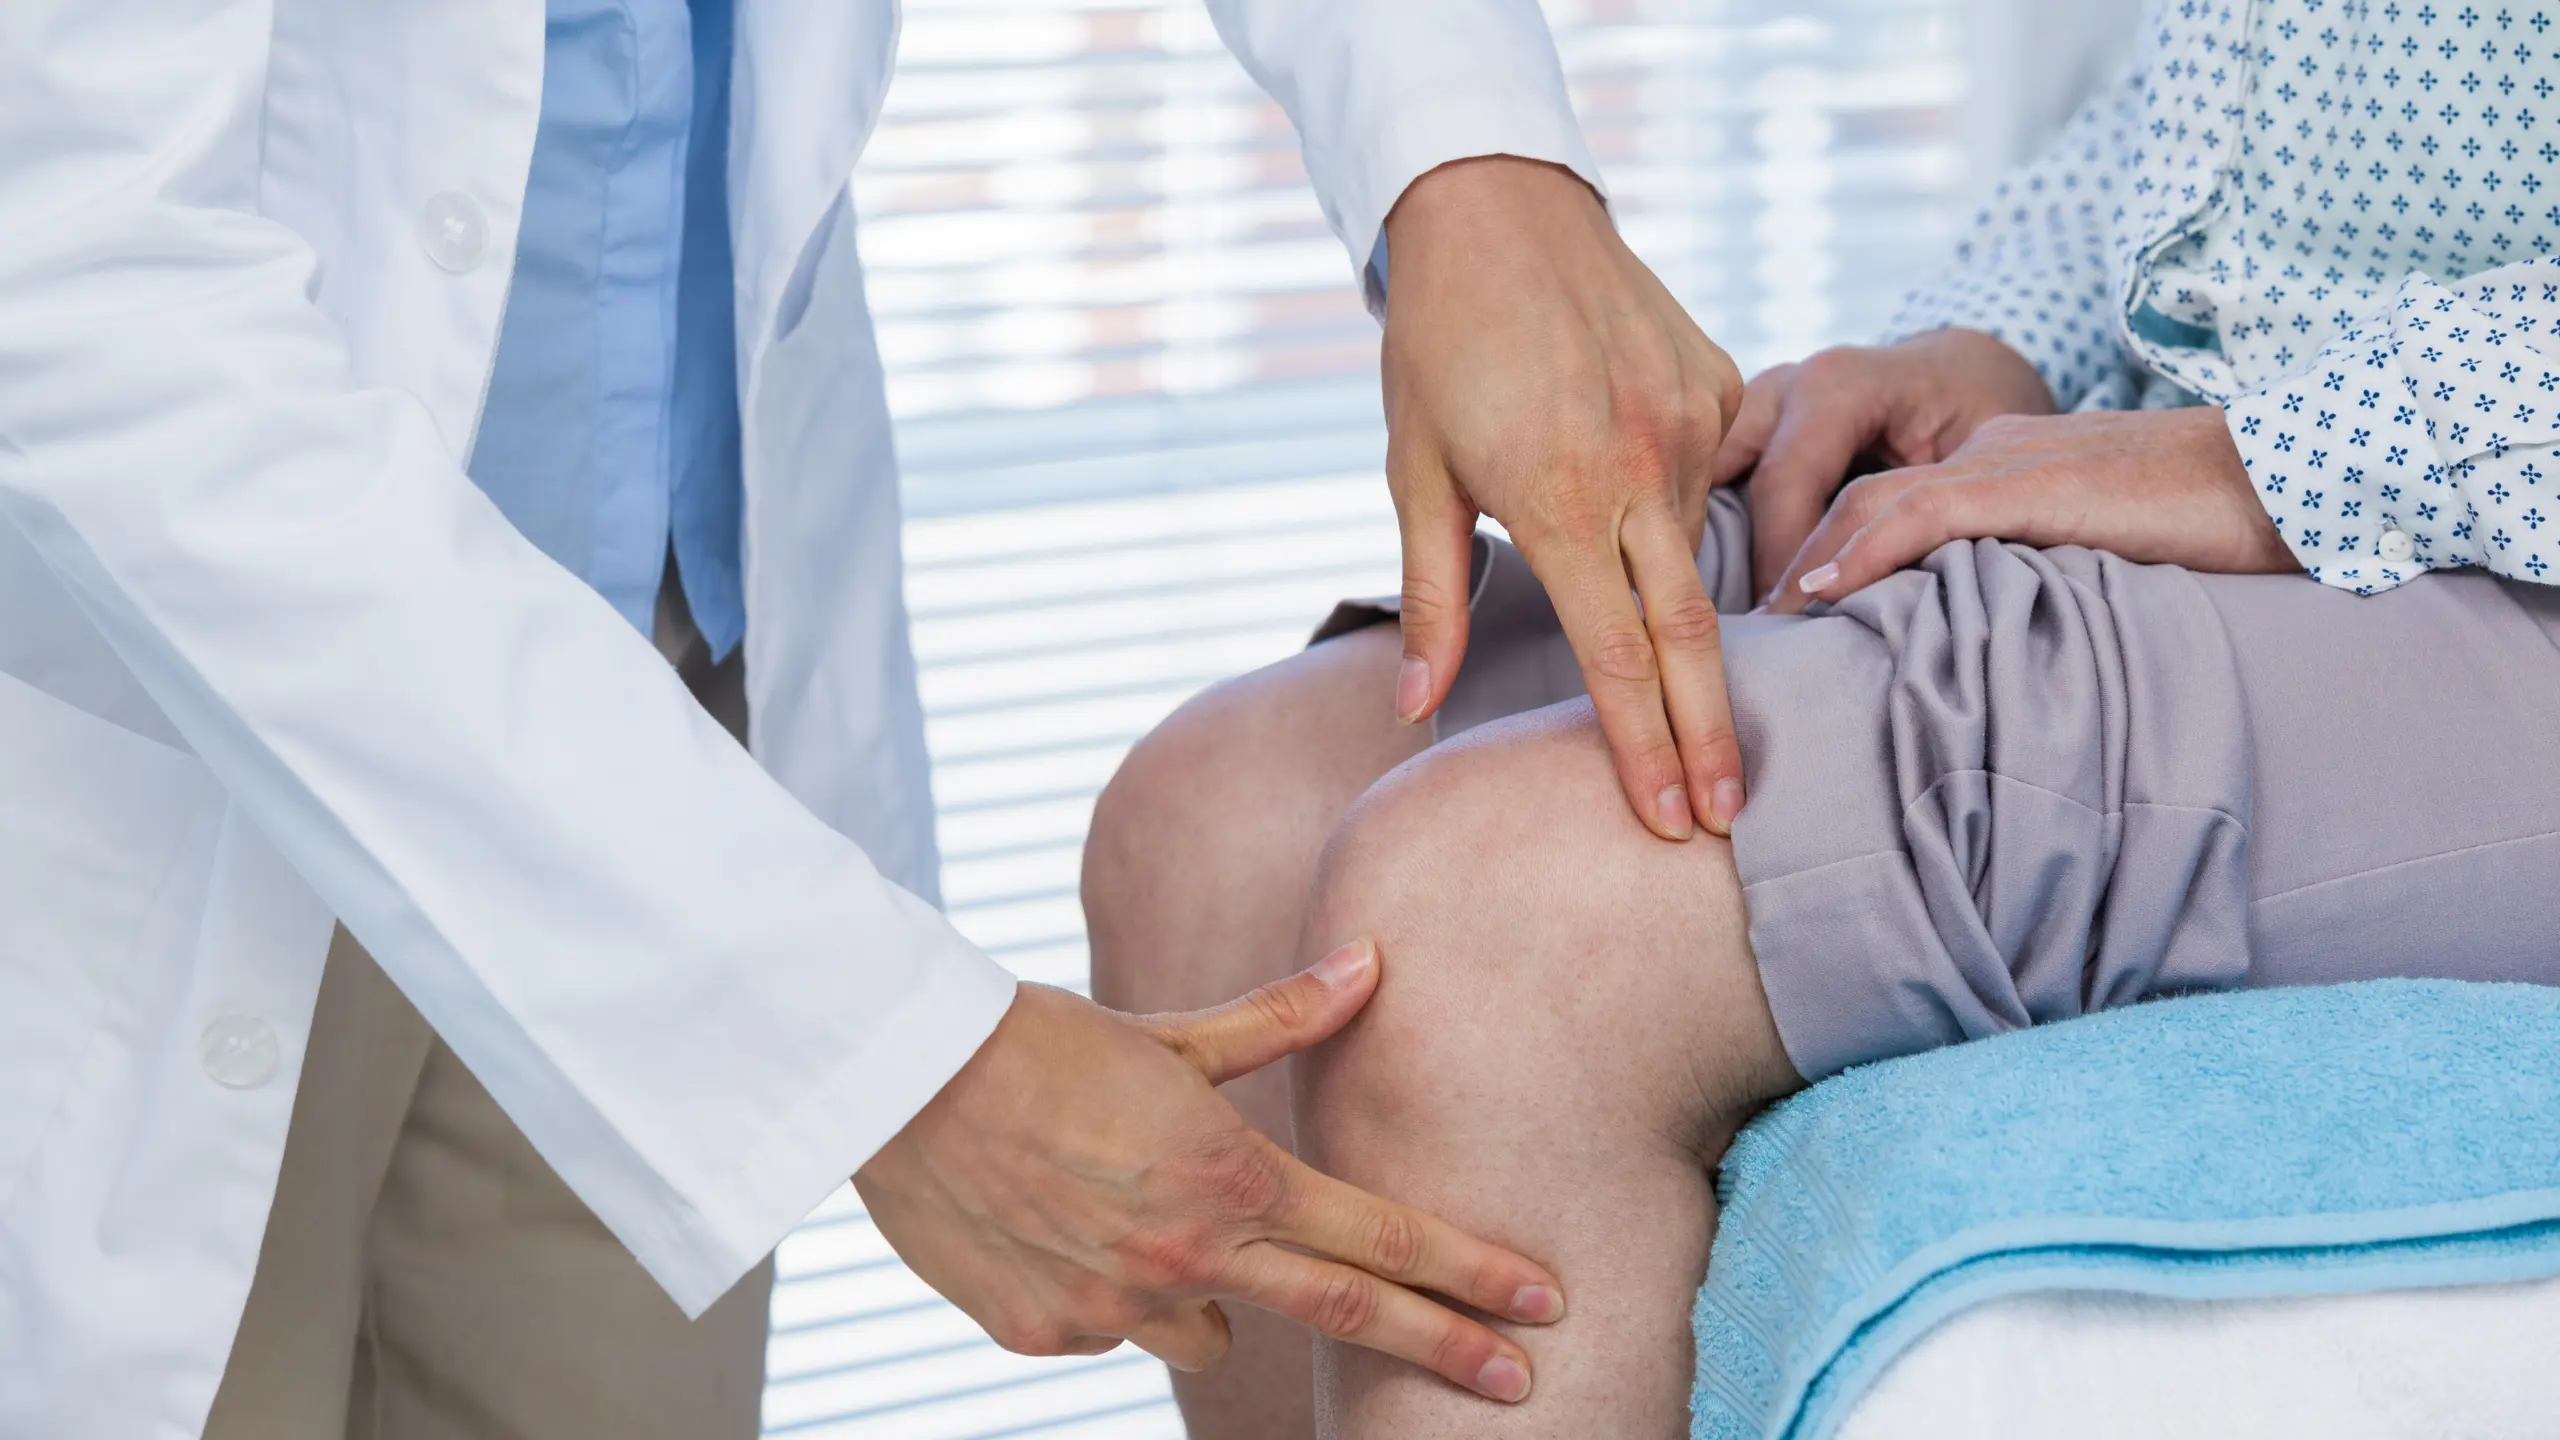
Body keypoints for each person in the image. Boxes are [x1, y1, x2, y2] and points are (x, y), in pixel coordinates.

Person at [0, 1, 1754, 1435]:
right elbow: (71, 292)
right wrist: (886, 1057)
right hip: (177, 711)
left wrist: (1465, 157)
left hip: (675, 669)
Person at [1088, 3, 2560, 1436]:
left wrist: (2281, 455)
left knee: (1500, 919)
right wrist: (1994, 341)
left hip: (2499, 506)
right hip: (2252, 409)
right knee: (1218, 825)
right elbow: (2256, 75)